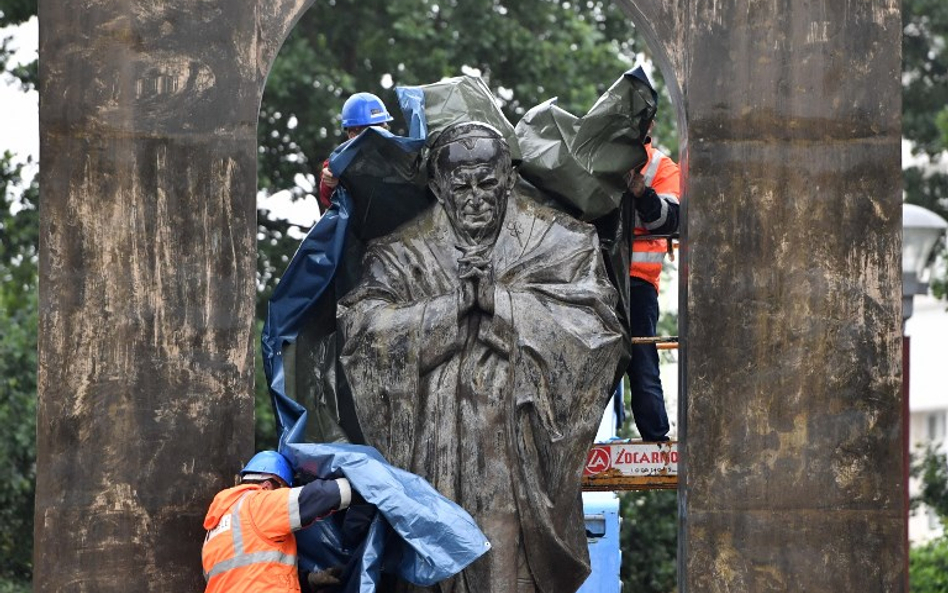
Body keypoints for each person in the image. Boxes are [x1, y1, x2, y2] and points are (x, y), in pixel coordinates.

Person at [337, 122, 627, 592]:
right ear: (436, 187)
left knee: (508, 570)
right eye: (460, 185)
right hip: (434, 454)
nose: (475, 197)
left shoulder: (562, 242)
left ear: (508, 179)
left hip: (516, 456)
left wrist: (498, 302)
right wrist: (449, 308)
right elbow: (363, 331)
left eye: (487, 182)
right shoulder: (399, 254)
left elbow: (597, 332)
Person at [201, 450, 351, 593]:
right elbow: (317, 497)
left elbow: (250, 576)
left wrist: (307, 581)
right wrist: (361, 483)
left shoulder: (213, 532)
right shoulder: (257, 503)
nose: (285, 495)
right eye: (284, 490)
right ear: (268, 486)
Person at [624, 132, 681, 442]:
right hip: (598, 280)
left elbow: (672, 219)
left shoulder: (660, 165)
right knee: (592, 361)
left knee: (642, 361)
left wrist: (641, 192)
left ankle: (656, 437)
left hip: (637, 282)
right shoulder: (597, 157)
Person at [317, 92, 394, 214]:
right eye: (374, 131)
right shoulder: (341, 163)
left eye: (384, 129)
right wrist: (332, 183)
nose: (382, 136)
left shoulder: (398, 151)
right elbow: (327, 196)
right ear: (353, 136)